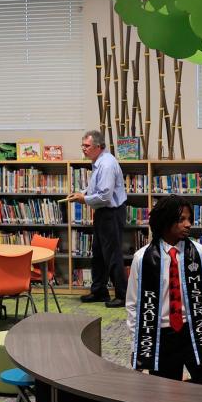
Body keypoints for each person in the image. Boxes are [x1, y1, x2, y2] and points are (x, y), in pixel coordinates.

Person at [125, 196, 202, 385]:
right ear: (165, 222)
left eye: (189, 219)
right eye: (181, 220)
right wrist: (136, 344)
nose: (188, 225)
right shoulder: (142, 258)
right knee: (165, 393)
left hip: (196, 330)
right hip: (161, 334)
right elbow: (133, 304)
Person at [69, 129, 127, 307]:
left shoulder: (107, 164)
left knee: (112, 254)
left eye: (86, 146)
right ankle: (99, 291)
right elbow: (96, 188)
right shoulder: (99, 162)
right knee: (99, 254)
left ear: (98, 146)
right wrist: (83, 193)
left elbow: (104, 196)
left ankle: (122, 295)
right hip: (103, 213)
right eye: (83, 145)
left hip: (111, 212)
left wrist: (83, 199)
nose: (83, 149)